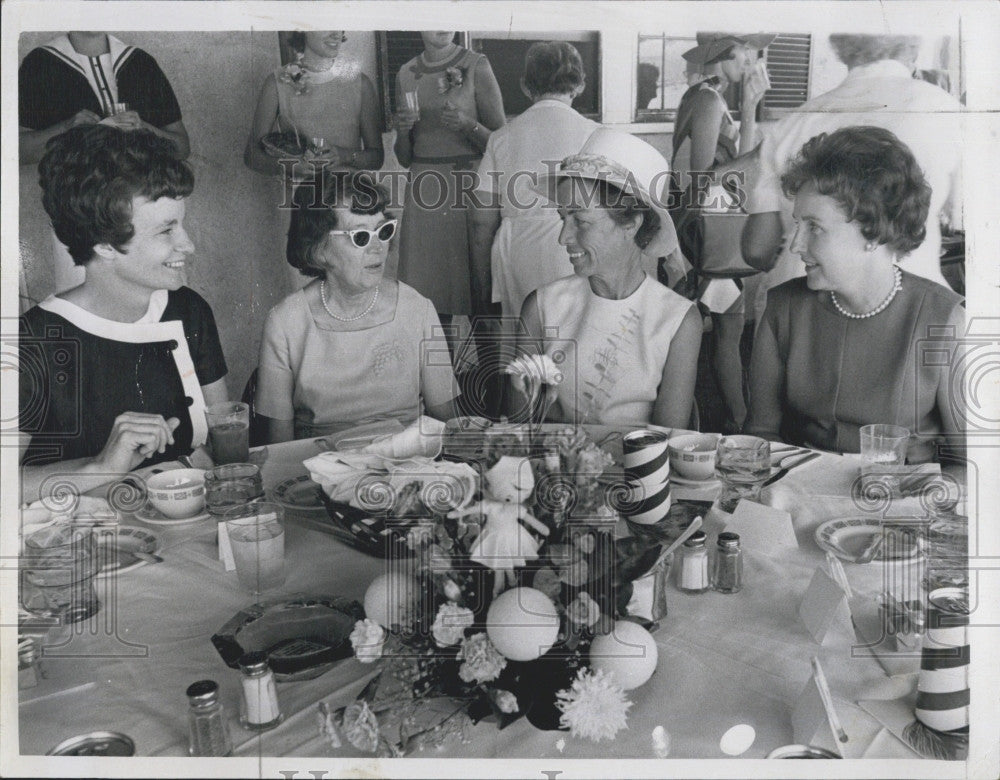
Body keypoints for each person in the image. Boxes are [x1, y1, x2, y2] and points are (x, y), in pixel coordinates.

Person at [18, 126, 229, 503]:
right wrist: (100, 467)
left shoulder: (189, 309)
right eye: (166, 231)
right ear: (105, 246)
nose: (189, 244)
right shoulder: (33, 341)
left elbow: (225, 435)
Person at [744, 127, 964, 463]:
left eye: (814, 227)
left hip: (902, 506)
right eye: (797, 225)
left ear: (873, 232)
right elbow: (761, 436)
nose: (795, 245)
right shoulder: (782, 307)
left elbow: (971, 469)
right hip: (798, 495)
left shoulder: (944, 320)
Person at [742, 34, 963, 323]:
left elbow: (757, 250)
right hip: (908, 308)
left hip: (798, 309)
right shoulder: (947, 111)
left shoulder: (793, 123)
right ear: (913, 46)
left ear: (841, 47)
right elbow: (963, 221)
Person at [513, 128, 701, 429]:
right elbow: (519, 429)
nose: (563, 237)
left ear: (631, 223)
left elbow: (667, 441)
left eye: (581, 221)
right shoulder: (541, 307)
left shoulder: (678, 320)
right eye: (563, 218)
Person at [254, 170, 460, 443]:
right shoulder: (285, 321)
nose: (378, 248)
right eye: (360, 236)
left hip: (405, 466)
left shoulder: (417, 309)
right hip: (318, 469)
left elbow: (446, 423)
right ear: (318, 248)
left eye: (384, 231)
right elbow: (280, 446)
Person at [672, 33, 774, 434]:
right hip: (709, 233)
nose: (753, 59)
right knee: (729, 333)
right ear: (725, 53)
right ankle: (739, 422)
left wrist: (749, 109)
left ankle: (731, 418)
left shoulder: (701, 96)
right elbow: (701, 182)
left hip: (710, 229)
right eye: (747, 50)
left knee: (723, 331)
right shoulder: (710, 102)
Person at [470, 41, 599, 322]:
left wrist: (482, 287)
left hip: (519, 252)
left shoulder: (501, 137)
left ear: (525, 86)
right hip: (578, 246)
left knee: (525, 345)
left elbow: (481, 222)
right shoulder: (597, 135)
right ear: (579, 86)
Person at [393, 31, 505, 344]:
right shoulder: (405, 73)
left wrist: (468, 125)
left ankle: (490, 389)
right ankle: (441, 391)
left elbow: (502, 142)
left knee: (483, 303)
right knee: (429, 306)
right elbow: (404, 158)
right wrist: (402, 133)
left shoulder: (476, 65)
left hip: (470, 190)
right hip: (424, 196)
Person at [19, 32, 190, 164]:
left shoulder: (141, 62)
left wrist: (143, 128)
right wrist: (66, 128)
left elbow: (182, 149)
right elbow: (15, 152)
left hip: (146, 196)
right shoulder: (40, 63)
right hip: (78, 201)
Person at [244, 31, 383, 178]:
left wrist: (344, 156)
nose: (336, 34)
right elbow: (251, 156)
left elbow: (377, 158)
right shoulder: (277, 82)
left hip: (348, 196)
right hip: (300, 198)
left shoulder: (361, 83)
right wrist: (289, 166)